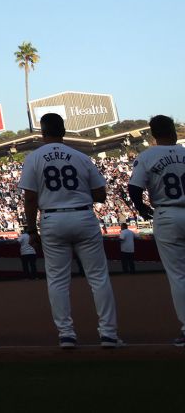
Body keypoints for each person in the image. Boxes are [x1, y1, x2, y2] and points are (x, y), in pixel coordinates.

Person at [19, 112, 121, 348]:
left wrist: (32, 230)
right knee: (98, 277)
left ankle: (66, 334)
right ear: (63, 131)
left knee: (57, 280)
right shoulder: (80, 156)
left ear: (42, 133)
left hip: (52, 218)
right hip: (83, 215)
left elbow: (31, 198)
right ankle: (108, 334)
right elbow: (101, 195)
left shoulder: (34, 158)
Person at [127, 113, 185, 346]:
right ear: (173, 130)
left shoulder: (147, 155)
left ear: (153, 134)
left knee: (178, 276)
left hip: (167, 214)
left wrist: (141, 209)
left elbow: (134, 187)